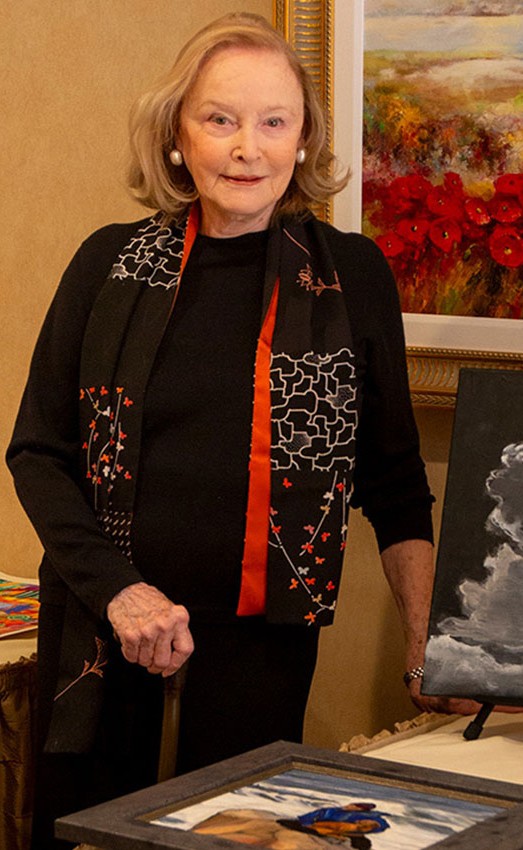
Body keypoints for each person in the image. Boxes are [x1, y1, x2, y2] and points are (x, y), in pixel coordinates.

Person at [6, 11, 469, 850]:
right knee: (86, 838)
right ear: (178, 135)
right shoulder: (107, 264)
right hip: (105, 631)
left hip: (263, 645)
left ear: (301, 142)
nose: (245, 146)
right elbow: (38, 451)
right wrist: (123, 593)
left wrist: (428, 648)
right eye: (218, 119)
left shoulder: (350, 275)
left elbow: (394, 484)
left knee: (239, 841)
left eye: (272, 121)